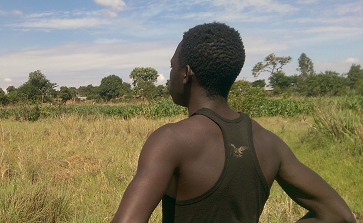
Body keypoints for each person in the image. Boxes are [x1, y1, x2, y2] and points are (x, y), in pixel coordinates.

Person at [112, 22, 355, 223]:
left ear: (186, 74)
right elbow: (339, 215)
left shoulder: (171, 140)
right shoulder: (270, 143)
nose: (170, 74)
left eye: (172, 66)